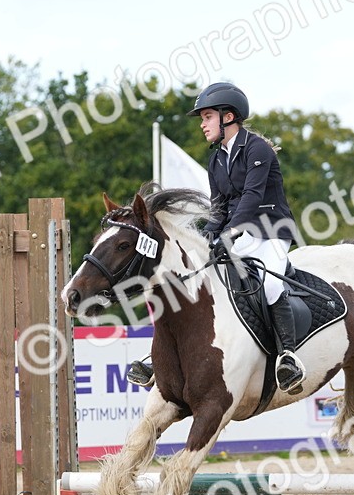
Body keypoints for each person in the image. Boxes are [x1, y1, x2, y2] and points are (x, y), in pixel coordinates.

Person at [127, 81, 305, 394]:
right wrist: (210, 233)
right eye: (202, 118)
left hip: (271, 231)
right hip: (237, 232)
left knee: (272, 283)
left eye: (207, 116)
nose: (203, 124)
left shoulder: (257, 149)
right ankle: (159, 356)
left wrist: (229, 234)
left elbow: (251, 197)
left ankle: (287, 356)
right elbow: (219, 205)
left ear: (228, 117)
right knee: (190, 278)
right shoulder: (216, 159)